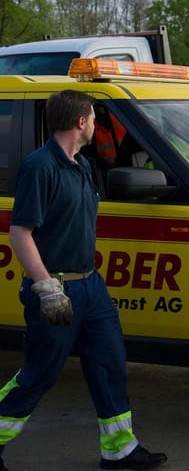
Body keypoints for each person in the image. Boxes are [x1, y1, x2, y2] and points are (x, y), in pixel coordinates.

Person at [1, 90, 167, 470]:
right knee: (40, 374)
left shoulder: (82, 166)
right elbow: (20, 233)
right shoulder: (40, 167)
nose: (95, 125)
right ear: (80, 122)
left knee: (109, 363)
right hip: (56, 289)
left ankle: (119, 449)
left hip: (91, 288)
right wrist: (45, 288)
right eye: (93, 118)